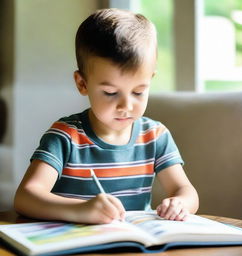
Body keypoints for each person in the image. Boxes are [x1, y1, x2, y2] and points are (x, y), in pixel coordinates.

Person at [14, 8, 199, 224]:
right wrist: (81, 210)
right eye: (111, 93)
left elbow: (185, 191)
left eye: (139, 92)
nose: (126, 106)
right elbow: (25, 197)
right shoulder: (65, 136)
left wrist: (180, 203)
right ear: (82, 84)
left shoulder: (155, 136)